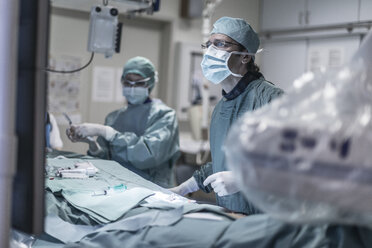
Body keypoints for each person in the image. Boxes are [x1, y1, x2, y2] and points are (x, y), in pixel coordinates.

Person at [170, 17, 284, 215]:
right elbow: (222, 163)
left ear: (245, 56)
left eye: (220, 44)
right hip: (229, 214)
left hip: (267, 220)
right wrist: (183, 189)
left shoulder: (272, 101)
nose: (210, 51)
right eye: (209, 44)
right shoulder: (221, 108)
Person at [66, 56, 180, 188]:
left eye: (139, 83)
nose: (132, 87)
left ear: (150, 84)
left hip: (153, 189)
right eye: (128, 82)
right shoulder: (114, 117)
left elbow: (148, 155)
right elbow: (106, 161)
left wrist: (109, 133)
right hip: (118, 187)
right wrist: (94, 146)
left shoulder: (165, 116)